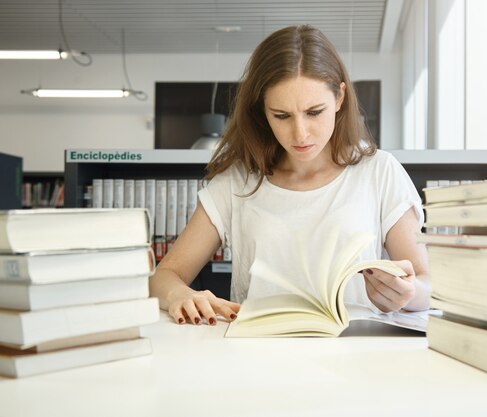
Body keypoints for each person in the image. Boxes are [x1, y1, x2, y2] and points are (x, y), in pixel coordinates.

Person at [149, 24, 431, 326]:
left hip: (356, 352)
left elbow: (427, 283)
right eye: (281, 116)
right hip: (260, 353)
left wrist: (408, 293)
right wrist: (179, 294)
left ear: (339, 98)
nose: (300, 133)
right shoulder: (238, 181)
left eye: (314, 112)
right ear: (262, 110)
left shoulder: (380, 172)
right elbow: (164, 277)